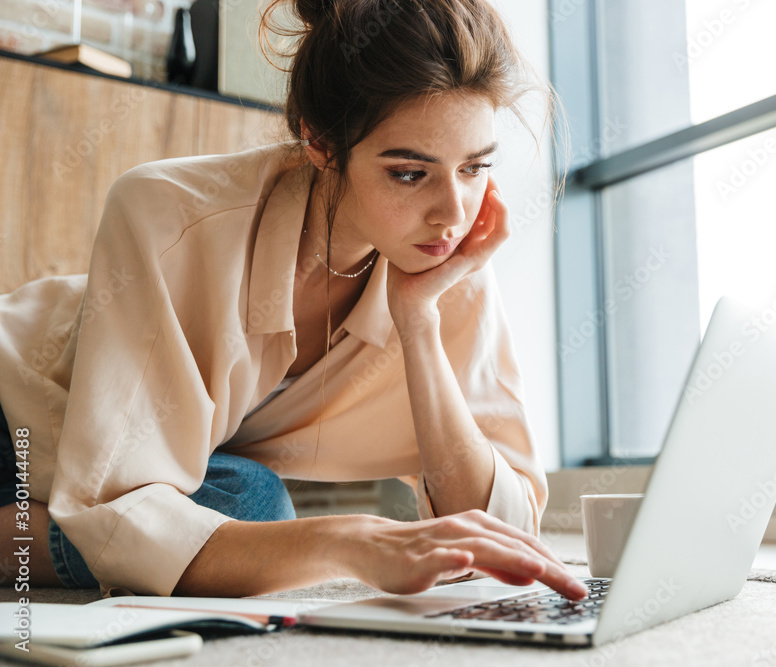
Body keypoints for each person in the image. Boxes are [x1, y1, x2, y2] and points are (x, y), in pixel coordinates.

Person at [0, 0, 585, 601]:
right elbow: (115, 500)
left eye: (475, 167)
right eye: (410, 173)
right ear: (320, 140)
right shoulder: (166, 211)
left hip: (182, 470)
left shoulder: (447, 264)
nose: (454, 214)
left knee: (249, 505)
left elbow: (505, 536)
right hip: (18, 414)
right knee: (258, 514)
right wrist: (348, 541)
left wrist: (417, 322)